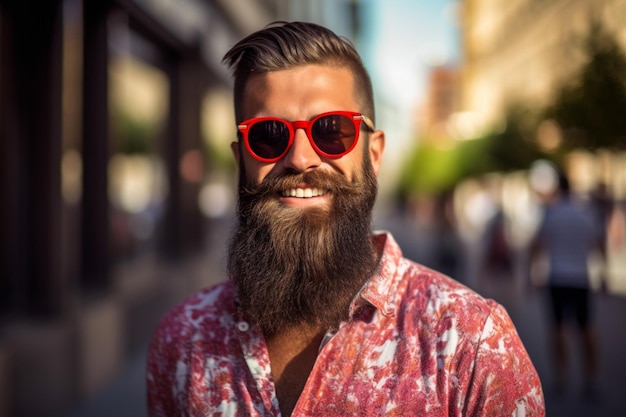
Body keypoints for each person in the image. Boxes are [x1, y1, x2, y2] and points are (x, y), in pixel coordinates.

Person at [147, 21, 544, 416]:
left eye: (331, 130)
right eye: (268, 135)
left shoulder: (472, 345)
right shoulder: (183, 342)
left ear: (373, 154)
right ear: (241, 161)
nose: (300, 158)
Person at [531, 172, 605, 399]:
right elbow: (596, 244)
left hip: (557, 277)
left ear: (557, 188)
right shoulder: (585, 212)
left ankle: (561, 377)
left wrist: (529, 273)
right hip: (581, 277)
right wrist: (602, 275)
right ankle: (590, 378)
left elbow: (538, 244)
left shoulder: (551, 213)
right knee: (586, 329)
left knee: (558, 329)